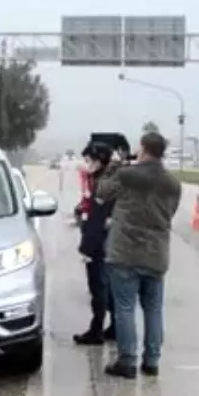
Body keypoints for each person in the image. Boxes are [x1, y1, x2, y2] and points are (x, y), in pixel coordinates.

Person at [95, 132, 183, 379]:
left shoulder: (127, 175)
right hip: (157, 254)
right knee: (153, 308)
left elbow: (101, 193)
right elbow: (170, 213)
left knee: (125, 308)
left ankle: (127, 361)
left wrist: (113, 165)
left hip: (125, 252)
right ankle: (152, 361)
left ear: (143, 149)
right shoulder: (172, 183)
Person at [73, 141, 119, 345]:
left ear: (100, 161)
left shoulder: (102, 184)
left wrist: (88, 246)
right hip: (101, 240)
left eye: (89, 160)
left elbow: (99, 217)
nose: (86, 164)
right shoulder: (99, 180)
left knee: (98, 287)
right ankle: (113, 327)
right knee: (106, 287)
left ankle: (96, 330)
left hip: (98, 242)